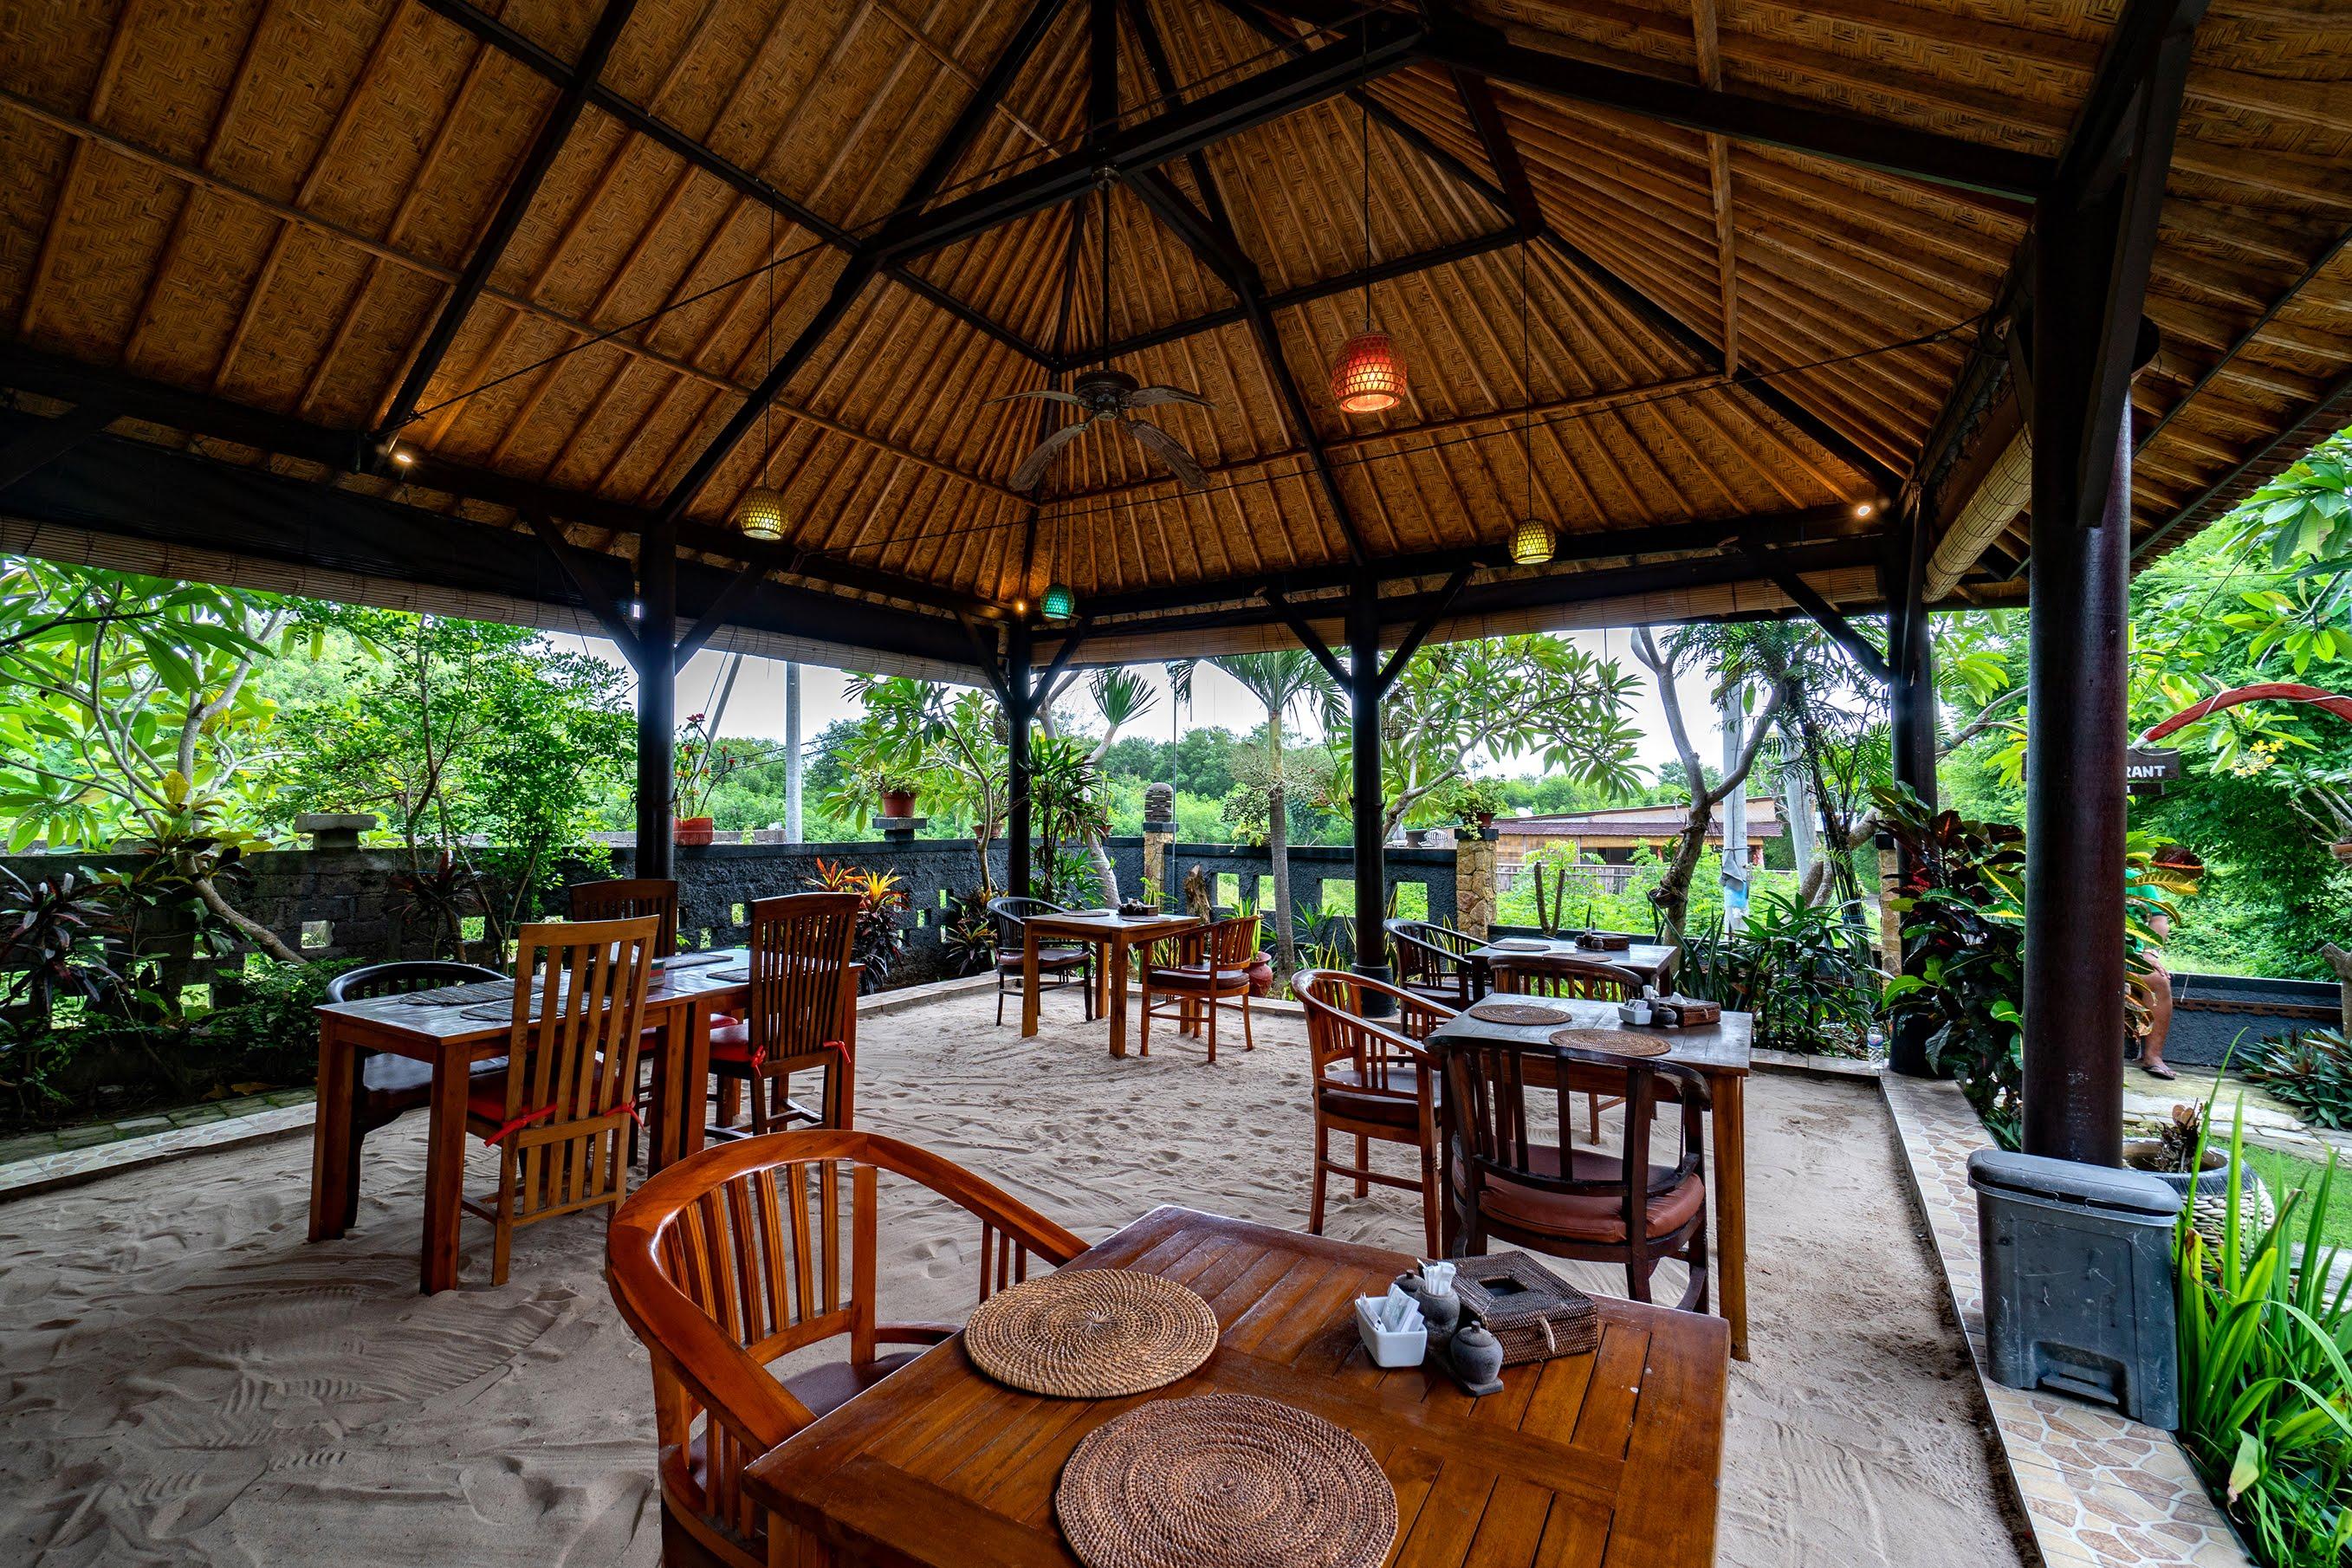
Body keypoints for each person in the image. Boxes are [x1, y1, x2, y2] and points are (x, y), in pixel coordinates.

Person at [2131, 910, 2177, 1080]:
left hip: (2128, 958)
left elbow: (2158, 919)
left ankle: (2153, 1057)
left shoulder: (2137, 882)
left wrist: (2149, 954)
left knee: (2159, 980)